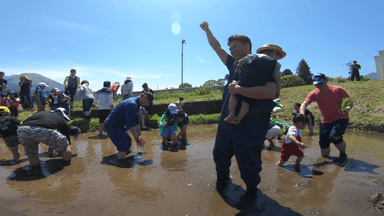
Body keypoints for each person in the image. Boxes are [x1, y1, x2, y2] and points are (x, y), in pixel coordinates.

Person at [200, 21, 277, 196]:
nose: (232, 50)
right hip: (227, 122)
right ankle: (222, 184)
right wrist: (207, 30)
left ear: (247, 46)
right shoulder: (233, 65)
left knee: (249, 161)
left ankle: (251, 195)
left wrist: (240, 90)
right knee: (219, 155)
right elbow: (216, 47)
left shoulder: (261, 64)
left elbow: (271, 91)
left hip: (251, 124)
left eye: (235, 47)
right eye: (231, 48)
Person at [224, 44, 285, 124]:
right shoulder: (276, 64)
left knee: (234, 94)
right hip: (258, 84)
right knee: (246, 103)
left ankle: (231, 113)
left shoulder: (252, 56)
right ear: (273, 53)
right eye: (278, 57)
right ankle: (239, 118)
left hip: (245, 80)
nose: (278, 59)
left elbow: (240, 62)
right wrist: (278, 91)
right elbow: (278, 79)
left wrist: (244, 69)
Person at [300, 73, 353, 162]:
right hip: (326, 120)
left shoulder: (338, 90)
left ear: (326, 81)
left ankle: (343, 155)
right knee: (323, 143)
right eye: (316, 84)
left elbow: (349, 102)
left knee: (335, 137)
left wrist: (347, 108)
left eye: (320, 83)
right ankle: (325, 160)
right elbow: (304, 104)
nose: (318, 86)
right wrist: (302, 114)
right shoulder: (314, 93)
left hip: (341, 118)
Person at [104, 92, 154, 160]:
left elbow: (136, 121)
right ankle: (122, 165)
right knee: (123, 144)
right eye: (148, 102)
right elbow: (131, 124)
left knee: (128, 141)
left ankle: (123, 156)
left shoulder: (137, 104)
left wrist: (139, 135)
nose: (147, 105)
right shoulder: (132, 104)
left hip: (119, 125)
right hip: (112, 125)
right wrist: (136, 137)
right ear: (144, 97)